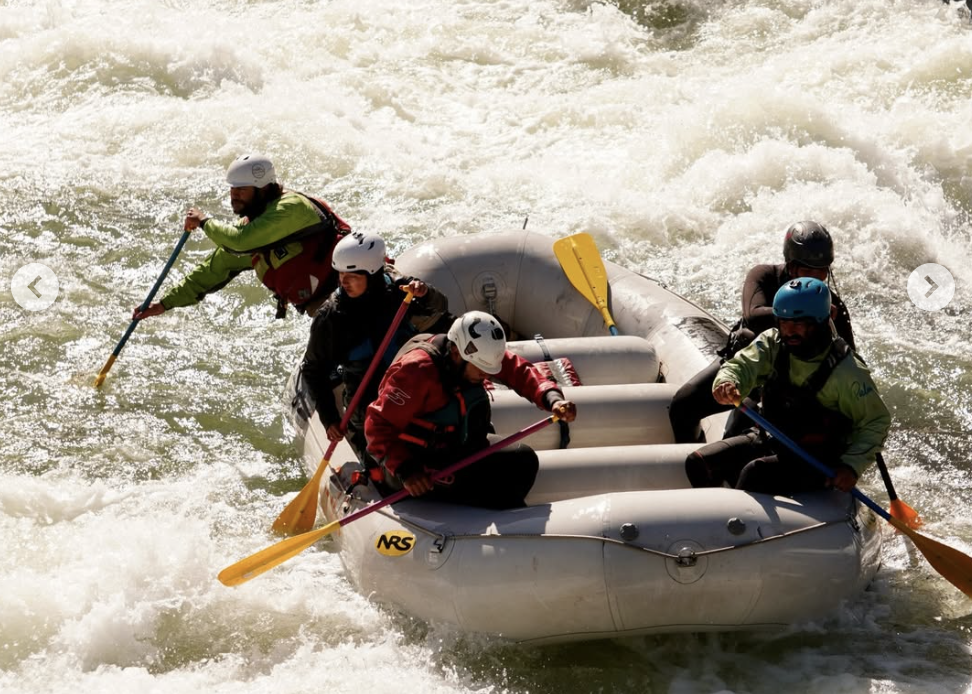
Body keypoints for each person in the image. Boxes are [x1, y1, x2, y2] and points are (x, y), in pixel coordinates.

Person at [684, 278, 890, 495]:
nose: (789, 331)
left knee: (754, 474)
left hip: (817, 457)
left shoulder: (847, 372)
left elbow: (876, 421)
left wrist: (851, 466)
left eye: (798, 324)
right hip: (772, 438)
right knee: (698, 463)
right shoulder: (773, 343)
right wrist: (727, 382)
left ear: (820, 322)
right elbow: (742, 366)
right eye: (783, 322)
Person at [364, 311, 578, 509]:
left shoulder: (477, 353)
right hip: (415, 463)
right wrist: (406, 470)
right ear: (456, 352)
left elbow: (520, 371)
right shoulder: (416, 371)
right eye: (482, 369)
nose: (486, 374)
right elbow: (377, 427)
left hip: (456, 449)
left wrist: (553, 399)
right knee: (482, 485)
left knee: (524, 460)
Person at [669, 221, 856, 444]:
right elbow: (754, 317)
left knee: (740, 426)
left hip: (790, 386)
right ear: (790, 266)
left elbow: (850, 359)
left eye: (821, 272)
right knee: (682, 405)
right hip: (747, 366)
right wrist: (806, 316)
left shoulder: (832, 306)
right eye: (807, 271)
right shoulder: (765, 276)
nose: (813, 279)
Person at [300, 230, 453, 470]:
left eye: (352, 276)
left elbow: (441, 308)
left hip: (414, 395)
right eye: (340, 274)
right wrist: (329, 417)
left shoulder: (398, 291)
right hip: (369, 411)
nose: (343, 281)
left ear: (372, 275)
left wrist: (425, 293)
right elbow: (313, 370)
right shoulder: (331, 317)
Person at [134, 154, 350, 321]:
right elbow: (213, 269)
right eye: (233, 188)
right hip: (324, 307)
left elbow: (238, 242)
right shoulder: (253, 228)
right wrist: (163, 304)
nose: (234, 195)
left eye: (242, 189)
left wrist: (204, 222)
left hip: (353, 286)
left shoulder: (291, 208)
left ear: (263, 188)